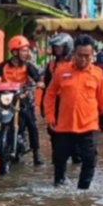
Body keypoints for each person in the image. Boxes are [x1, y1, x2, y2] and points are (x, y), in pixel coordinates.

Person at [41, 35, 103, 190]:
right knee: (59, 160)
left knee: (89, 161)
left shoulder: (97, 74)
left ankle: (83, 192)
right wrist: (49, 116)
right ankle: (59, 186)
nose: (83, 59)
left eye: (87, 56)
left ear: (92, 55)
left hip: (88, 127)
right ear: (74, 54)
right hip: (64, 127)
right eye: (80, 55)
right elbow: (49, 95)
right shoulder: (61, 71)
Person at [0, 35, 44, 167]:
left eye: (27, 50)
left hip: (22, 98)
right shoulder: (3, 66)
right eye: (23, 50)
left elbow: (37, 76)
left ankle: (36, 153)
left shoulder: (28, 66)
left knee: (32, 123)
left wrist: (39, 82)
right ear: (15, 52)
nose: (26, 53)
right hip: (5, 99)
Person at [39, 33, 77, 163]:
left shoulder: (75, 64)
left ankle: (75, 157)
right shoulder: (51, 66)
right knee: (54, 133)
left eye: (60, 47)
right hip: (55, 103)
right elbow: (47, 88)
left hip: (71, 102)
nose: (57, 50)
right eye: (55, 47)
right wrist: (44, 107)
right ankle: (58, 160)